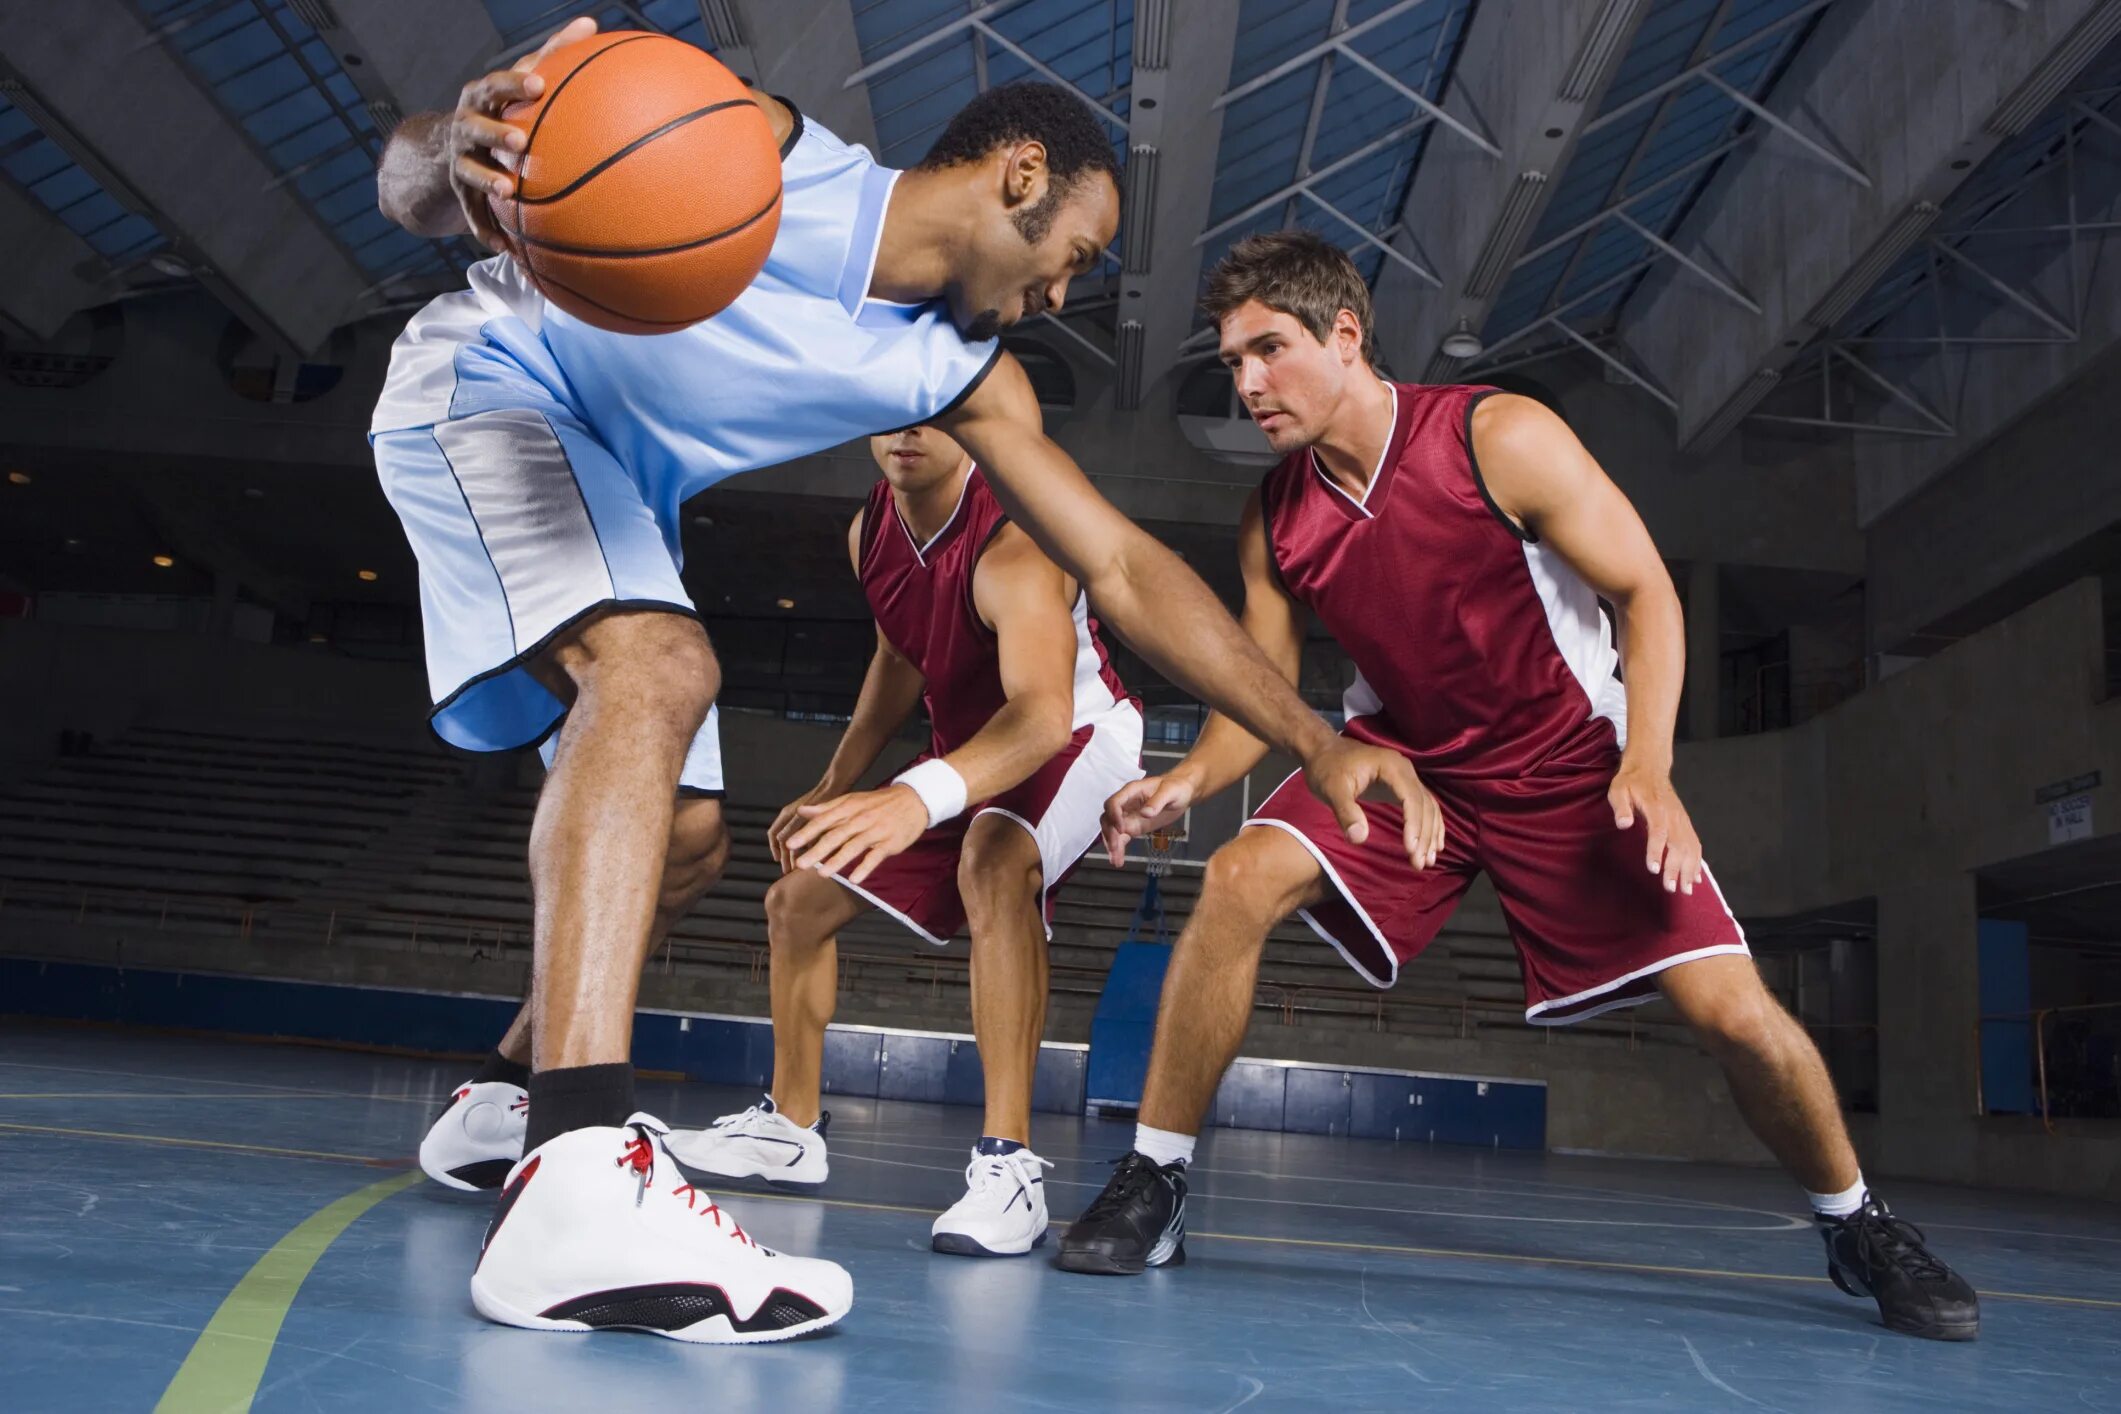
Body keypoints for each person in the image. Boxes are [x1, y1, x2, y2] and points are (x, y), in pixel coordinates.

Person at [370, 19, 1428, 1342]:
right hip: (492, 386)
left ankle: (502, 1095)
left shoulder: (962, 375)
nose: (1063, 296)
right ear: (1019, 178)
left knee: (688, 839)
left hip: (621, 485)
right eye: (1074, 258)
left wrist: (1312, 739)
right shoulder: (756, 150)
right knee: (662, 662)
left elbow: (1123, 563)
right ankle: (576, 1178)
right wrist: (453, 155)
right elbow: (415, 177)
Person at [1060, 231, 1979, 1345]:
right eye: (1233, 360)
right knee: (1240, 873)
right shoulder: (1277, 518)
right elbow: (1258, 683)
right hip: (1405, 765)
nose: (1247, 382)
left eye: (1269, 349)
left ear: (1347, 337)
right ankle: (1155, 1180)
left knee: (1731, 1011)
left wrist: (1648, 759)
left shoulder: (1499, 436)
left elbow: (1646, 590)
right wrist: (1188, 781)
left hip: (1570, 766)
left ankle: (1857, 1222)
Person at [667, 424, 1141, 1259]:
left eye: (937, 413)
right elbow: (898, 651)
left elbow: (1038, 718)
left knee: (993, 865)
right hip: (964, 749)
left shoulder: (1015, 541)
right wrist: (837, 780)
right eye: (892, 411)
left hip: (1076, 734)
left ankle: (1010, 1169)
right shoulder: (871, 529)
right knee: (796, 901)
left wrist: (915, 797)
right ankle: (789, 1127)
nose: (910, 431)